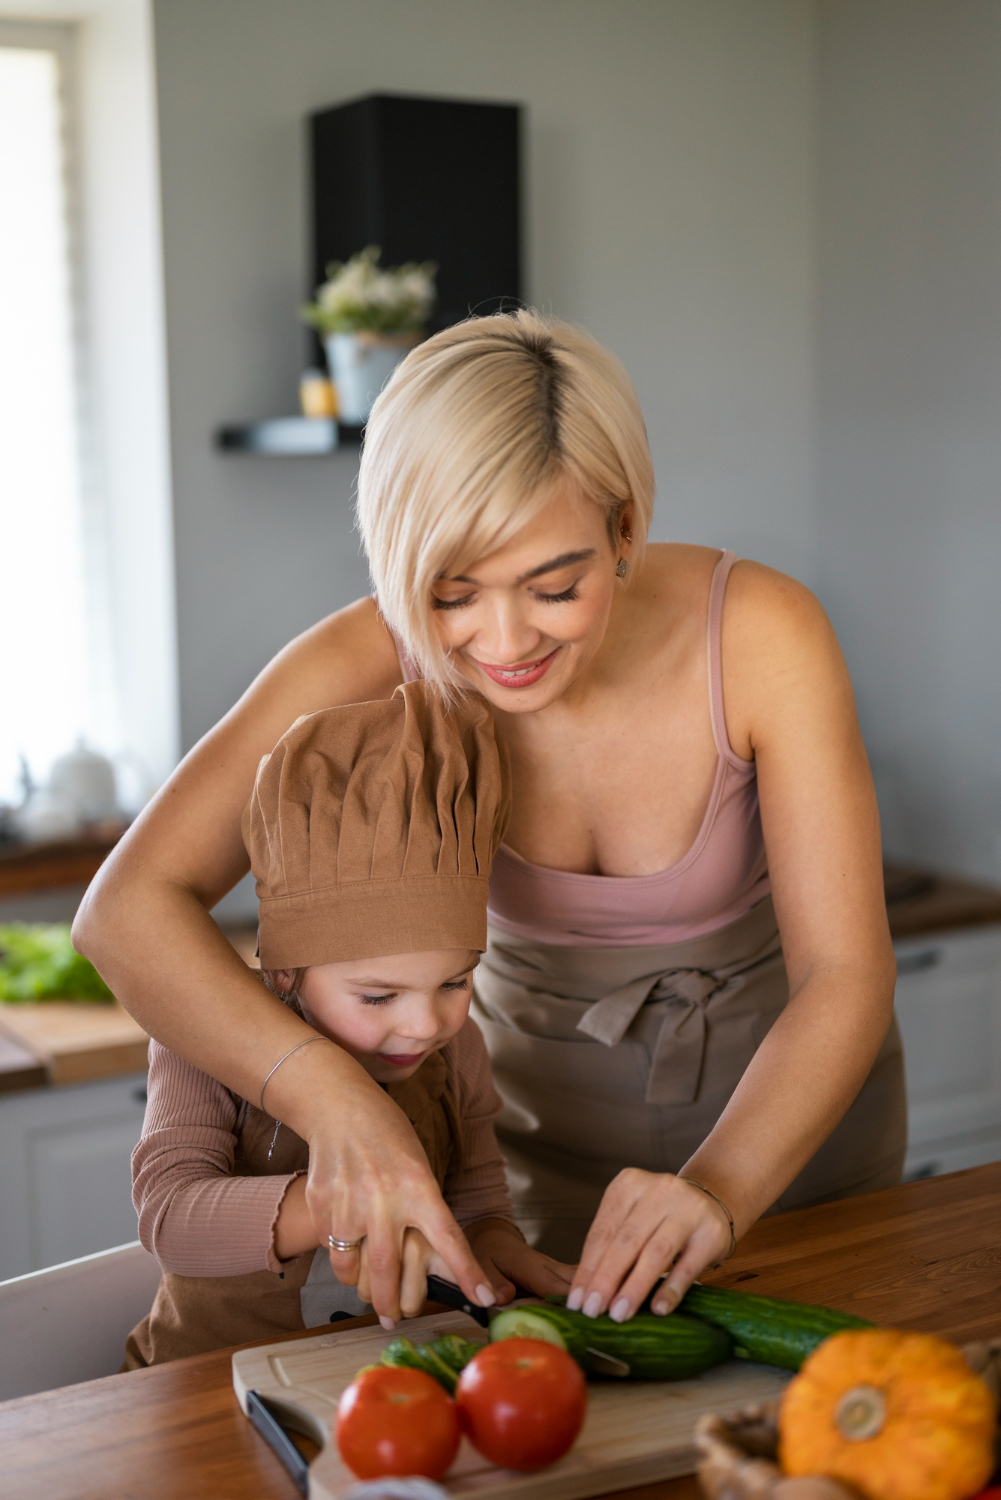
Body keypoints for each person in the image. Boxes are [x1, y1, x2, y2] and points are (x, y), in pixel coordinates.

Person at [76, 309, 904, 1332]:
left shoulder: (762, 633)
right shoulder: (365, 659)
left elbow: (843, 972)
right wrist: (331, 1097)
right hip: (522, 1171)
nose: (504, 642)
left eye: (553, 587)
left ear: (624, 532)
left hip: (789, 1154)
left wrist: (722, 1184)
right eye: (449, 594)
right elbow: (124, 913)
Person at [125, 681, 572, 1366]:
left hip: (378, 1379)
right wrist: (348, 1200)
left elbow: (478, 1199)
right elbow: (170, 1219)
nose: (425, 1024)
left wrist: (494, 1245)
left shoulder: (459, 1049)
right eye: (377, 996)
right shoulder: (202, 1039)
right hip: (200, 1386)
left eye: (455, 982)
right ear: (286, 974)